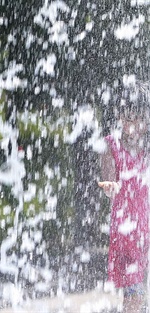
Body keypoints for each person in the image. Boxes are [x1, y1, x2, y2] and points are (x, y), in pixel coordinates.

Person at [98, 81, 150, 313]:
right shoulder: (112, 146)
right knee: (135, 293)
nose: (134, 126)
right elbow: (106, 180)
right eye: (128, 119)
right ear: (120, 117)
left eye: (140, 119)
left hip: (147, 231)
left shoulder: (147, 151)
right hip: (127, 234)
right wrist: (110, 186)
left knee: (143, 292)